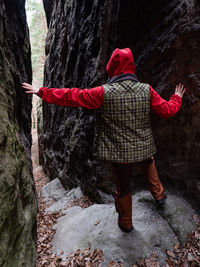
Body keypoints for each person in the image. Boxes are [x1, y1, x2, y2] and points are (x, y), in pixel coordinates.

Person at [22, 48, 186, 233]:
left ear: (112, 67)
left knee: (123, 187)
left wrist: (42, 92)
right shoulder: (145, 89)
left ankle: (126, 224)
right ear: (131, 67)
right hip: (143, 147)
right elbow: (167, 110)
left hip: (119, 154)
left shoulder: (102, 92)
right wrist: (176, 97)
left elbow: (72, 96)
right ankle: (159, 195)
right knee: (148, 162)